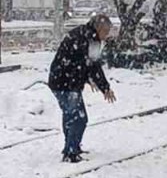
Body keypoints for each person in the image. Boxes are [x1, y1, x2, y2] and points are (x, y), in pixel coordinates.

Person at [49, 14, 117, 163]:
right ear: (98, 28)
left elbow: (79, 61)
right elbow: (92, 65)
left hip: (58, 80)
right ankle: (71, 152)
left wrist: (87, 78)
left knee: (69, 115)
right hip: (67, 83)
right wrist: (104, 87)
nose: (106, 36)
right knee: (79, 118)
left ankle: (70, 147)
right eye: (105, 32)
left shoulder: (82, 33)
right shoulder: (90, 39)